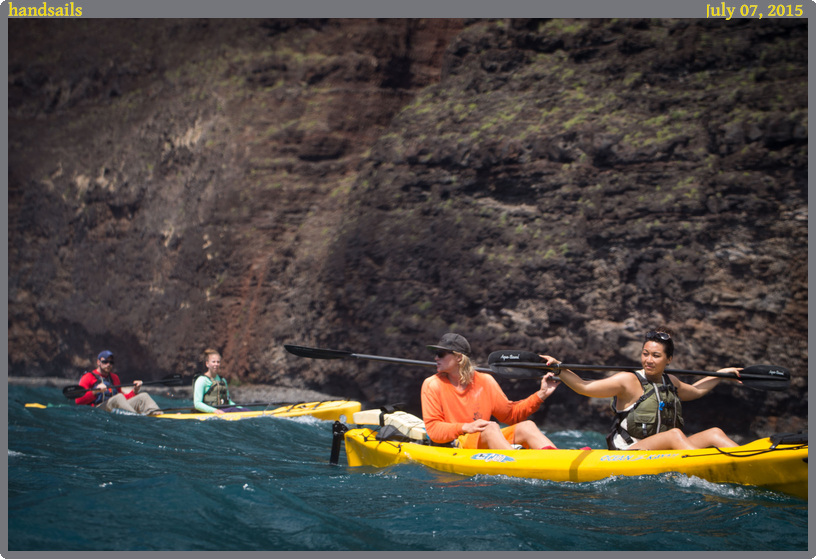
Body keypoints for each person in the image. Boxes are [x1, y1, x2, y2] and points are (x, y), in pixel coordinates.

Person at [540, 327, 742, 451]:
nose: (648, 360)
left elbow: (697, 390)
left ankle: (748, 460)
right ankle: (705, 466)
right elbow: (585, 387)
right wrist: (560, 369)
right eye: (645, 354)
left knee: (715, 433)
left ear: (668, 359)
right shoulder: (627, 380)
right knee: (675, 435)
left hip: (663, 449)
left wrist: (721, 373)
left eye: (656, 355)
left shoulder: (670, 381)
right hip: (629, 452)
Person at [421, 333, 560, 450]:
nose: (436, 358)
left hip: (483, 438)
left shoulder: (485, 381)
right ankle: (517, 463)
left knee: (527, 426)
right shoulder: (432, 384)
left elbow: (511, 415)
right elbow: (433, 429)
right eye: (436, 354)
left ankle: (557, 460)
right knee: (491, 428)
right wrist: (466, 427)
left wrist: (542, 394)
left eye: (441, 354)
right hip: (454, 444)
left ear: (459, 357)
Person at [75, 350, 162, 415]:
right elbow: (78, 401)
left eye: (111, 362)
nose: (108, 364)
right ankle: (136, 417)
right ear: (98, 362)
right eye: (105, 361)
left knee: (144, 396)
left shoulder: (114, 378)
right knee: (118, 397)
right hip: (97, 410)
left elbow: (122, 399)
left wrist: (134, 391)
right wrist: (95, 391)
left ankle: (159, 414)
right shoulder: (88, 377)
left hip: (114, 407)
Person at [193, 349, 247, 414]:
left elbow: (229, 402)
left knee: (244, 409)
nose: (216, 364)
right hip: (208, 413)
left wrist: (241, 408)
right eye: (213, 362)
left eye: (218, 362)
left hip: (224, 411)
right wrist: (214, 410)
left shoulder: (223, 381)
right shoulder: (201, 380)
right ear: (207, 364)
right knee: (233, 410)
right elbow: (197, 404)